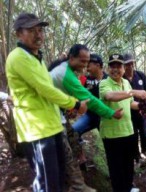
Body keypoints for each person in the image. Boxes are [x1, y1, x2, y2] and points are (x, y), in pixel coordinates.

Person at [5, 13, 88, 192]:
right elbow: (45, 89)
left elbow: (45, 90)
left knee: (57, 179)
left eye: (40, 30)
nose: (39, 35)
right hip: (37, 130)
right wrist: (74, 103)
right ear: (19, 33)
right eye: (32, 30)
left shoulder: (37, 57)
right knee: (47, 184)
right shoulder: (18, 57)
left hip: (52, 125)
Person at [50, 45, 123, 192]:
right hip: (50, 118)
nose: (85, 66)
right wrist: (111, 113)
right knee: (66, 152)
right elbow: (88, 99)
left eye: (87, 62)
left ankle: (81, 168)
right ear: (71, 58)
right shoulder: (67, 74)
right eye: (83, 62)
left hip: (60, 115)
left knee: (72, 138)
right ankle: (78, 185)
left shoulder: (69, 71)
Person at [99, 54, 146, 192]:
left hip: (128, 130)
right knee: (116, 168)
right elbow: (110, 96)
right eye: (112, 66)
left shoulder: (125, 83)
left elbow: (130, 103)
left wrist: (145, 107)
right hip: (112, 134)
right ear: (108, 68)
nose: (116, 69)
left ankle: (128, 187)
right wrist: (133, 92)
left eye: (119, 66)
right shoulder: (104, 83)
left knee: (128, 165)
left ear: (123, 68)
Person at [123, 53, 146, 160]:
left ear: (133, 63)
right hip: (129, 113)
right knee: (133, 136)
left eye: (131, 63)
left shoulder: (140, 75)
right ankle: (136, 156)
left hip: (142, 111)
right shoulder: (122, 79)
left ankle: (145, 149)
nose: (129, 66)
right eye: (126, 64)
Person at [72, 53, 108, 135]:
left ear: (98, 65)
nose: (87, 68)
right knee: (73, 131)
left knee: (108, 141)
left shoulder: (108, 79)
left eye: (89, 65)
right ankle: (79, 143)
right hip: (90, 115)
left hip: (104, 117)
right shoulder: (86, 79)